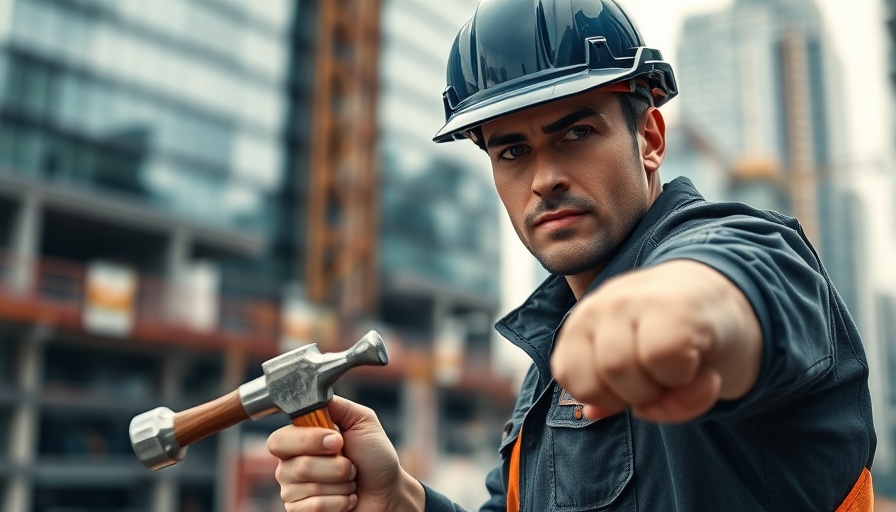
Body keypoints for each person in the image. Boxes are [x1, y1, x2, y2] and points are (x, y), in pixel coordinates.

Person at [266, 0, 877, 510]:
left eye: (575, 133)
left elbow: (740, 286)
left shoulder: (743, 248)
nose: (544, 178)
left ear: (650, 139)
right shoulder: (549, 359)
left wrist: (686, 306)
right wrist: (401, 499)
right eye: (512, 152)